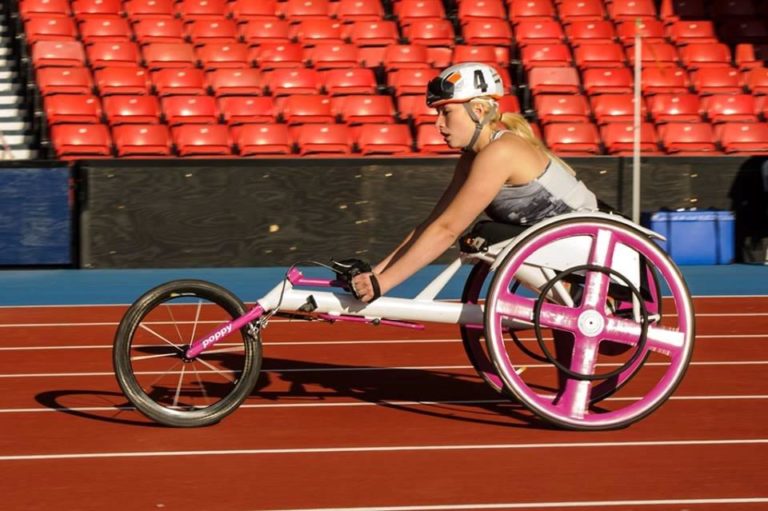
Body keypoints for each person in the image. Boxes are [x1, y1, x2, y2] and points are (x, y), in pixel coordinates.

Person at [350, 62, 599, 303]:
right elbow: (433, 224)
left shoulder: (500, 152)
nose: (438, 123)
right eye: (437, 113)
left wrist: (384, 284)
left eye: (446, 112)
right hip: (562, 250)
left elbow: (448, 230)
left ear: (477, 112)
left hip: (591, 249)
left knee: (483, 235)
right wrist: (377, 273)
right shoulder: (472, 157)